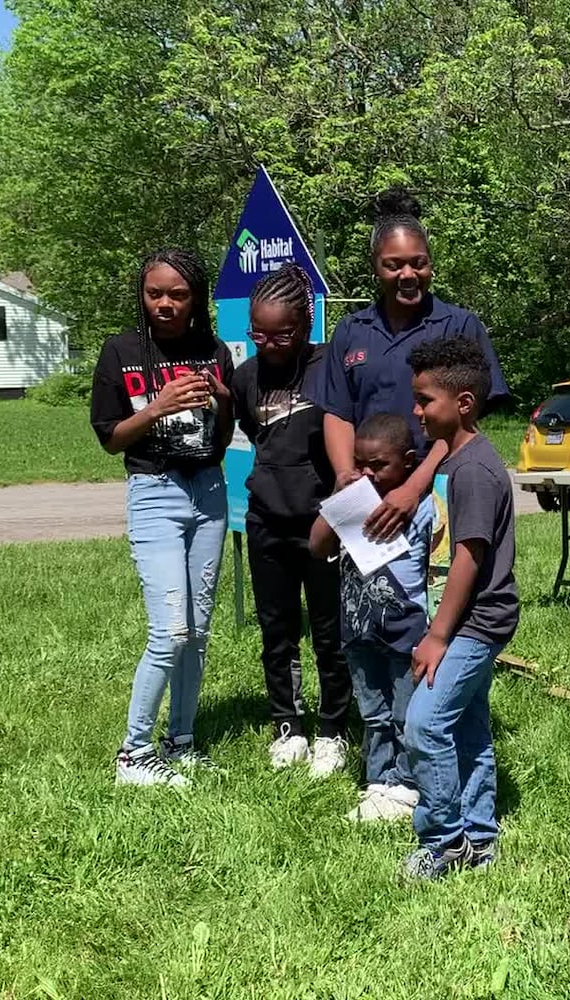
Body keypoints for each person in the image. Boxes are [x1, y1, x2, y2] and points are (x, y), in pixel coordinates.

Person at [89, 247, 236, 787]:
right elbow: (109, 439)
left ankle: (181, 743)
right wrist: (157, 406)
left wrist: (223, 403)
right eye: (156, 294)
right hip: (154, 491)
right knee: (170, 631)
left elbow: (221, 441)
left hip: (209, 491)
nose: (166, 305)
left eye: (178, 294)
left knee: (197, 632)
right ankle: (133, 753)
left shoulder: (213, 350)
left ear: (195, 298)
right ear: (142, 295)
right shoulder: (121, 351)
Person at [306, 187, 509, 544]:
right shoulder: (352, 331)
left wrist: (414, 488)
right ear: (375, 267)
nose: (408, 274)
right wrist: (349, 480)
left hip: (439, 488)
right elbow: (337, 412)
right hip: (369, 493)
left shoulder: (459, 326)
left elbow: (465, 424)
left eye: (419, 262)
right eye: (393, 264)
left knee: (432, 593)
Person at [398, 336, 518, 881]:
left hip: (473, 624)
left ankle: (445, 842)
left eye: (426, 401)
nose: (416, 411)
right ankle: (480, 836)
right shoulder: (458, 458)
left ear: (464, 403)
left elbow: (469, 557)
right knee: (466, 727)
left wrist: (439, 635)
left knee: (424, 724)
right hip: (463, 622)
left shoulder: (473, 471)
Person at [230, 263, 351, 776]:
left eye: (282, 333)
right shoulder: (245, 377)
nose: (269, 343)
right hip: (267, 522)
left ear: (306, 326)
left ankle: (332, 730)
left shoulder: (329, 367)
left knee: (330, 630)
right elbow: (250, 431)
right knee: (276, 629)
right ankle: (288, 725)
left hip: (323, 523)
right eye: (258, 333)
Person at [307, 413, 439, 822]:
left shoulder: (420, 508)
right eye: (361, 463)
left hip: (406, 630)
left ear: (409, 461)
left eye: (378, 465)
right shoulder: (353, 500)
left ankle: (407, 785)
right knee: (374, 712)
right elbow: (315, 545)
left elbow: (435, 570)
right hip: (358, 627)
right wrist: (339, 497)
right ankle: (378, 779)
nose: (368, 473)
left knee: (404, 713)